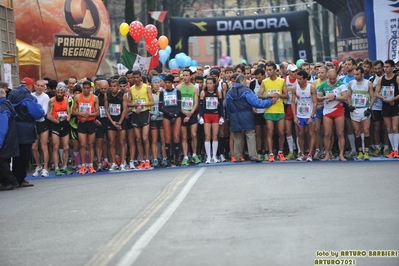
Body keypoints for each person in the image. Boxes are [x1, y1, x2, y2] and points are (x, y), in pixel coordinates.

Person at [226, 74, 276, 162]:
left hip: (234, 115)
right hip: (246, 115)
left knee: (237, 136)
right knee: (250, 134)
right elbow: (256, 103)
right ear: (242, 81)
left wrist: (233, 113)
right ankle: (253, 155)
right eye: (245, 81)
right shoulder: (246, 91)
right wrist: (269, 102)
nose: (246, 83)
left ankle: (237, 156)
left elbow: (227, 105)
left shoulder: (230, 91)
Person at [8, 77, 45, 187]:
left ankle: (13, 178)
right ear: (29, 86)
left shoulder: (11, 94)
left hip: (13, 127)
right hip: (25, 128)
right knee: (24, 155)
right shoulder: (27, 97)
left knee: (15, 155)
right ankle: (20, 179)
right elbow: (38, 113)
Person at [258, 62, 288, 162]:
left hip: (279, 110)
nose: (268, 72)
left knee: (281, 132)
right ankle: (271, 153)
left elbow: (286, 95)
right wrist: (268, 96)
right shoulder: (265, 82)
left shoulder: (282, 81)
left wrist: (279, 96)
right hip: (269, 110)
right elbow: (259, 95)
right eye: (267, 70)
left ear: (275, 70)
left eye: (270, 70)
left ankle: (280, 152)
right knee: (269, 132)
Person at [317, 69, 348, 161]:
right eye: (330, 79)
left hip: (338, 111)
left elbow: (345, 97)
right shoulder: (323, 85)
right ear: (327, 77)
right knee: (327, 134)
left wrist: (334, 97)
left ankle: (341, 154)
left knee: (340, 133)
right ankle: (327, 154)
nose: (332, 81)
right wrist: (325, 97)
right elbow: (318, 98)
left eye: (334, 79)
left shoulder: (341, 84)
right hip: (327, 111)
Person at [127, 70, 154, 169]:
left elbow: (152, 102)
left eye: (137, 77)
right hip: (135, 114)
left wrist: (142, 105)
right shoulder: (131, 89)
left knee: (145, 137)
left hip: (145, 113)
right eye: (134, 78)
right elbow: (128, 103)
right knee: (138, 139)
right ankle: (142, 160)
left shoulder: (147, 87)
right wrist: (135, 105)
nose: (135, 79)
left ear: (140, 77)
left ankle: (147, 159)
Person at [347, 66, 374, 160]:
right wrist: (350, 105)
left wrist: (370, 108)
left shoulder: (368, 83)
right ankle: (360, 152)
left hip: (365, 109)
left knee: (366, 130)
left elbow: (372, 96)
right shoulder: (351, 83)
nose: (355, 76)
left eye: (357, 74)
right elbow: (348, 96)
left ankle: (366, 151)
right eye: (354, 74)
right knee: (357, 131)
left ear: (362, 74)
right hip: (355, 110)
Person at [73, 80, 100, 174]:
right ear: (82, 88)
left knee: (91, 144)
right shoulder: (77, 97)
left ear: (91, 88)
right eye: (84, 88)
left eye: (88, 88)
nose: (86, 90)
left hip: (91, 122)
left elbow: (97, 112)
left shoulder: (95, 98)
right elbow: (73, 111)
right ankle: (83, 165)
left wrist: (88, 115)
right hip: (81, 122)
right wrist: (81, 114)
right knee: (83, 144)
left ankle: (91, 165)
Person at [291, 70, 317, 162]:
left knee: (311, 134)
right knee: (300, 134)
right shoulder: (294, 88)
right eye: (297, 79)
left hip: (310, 114)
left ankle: (310, 154)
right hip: (300, 115)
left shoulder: (311, 88)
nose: (298, 81)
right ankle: (302, 153)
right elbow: (293, 103)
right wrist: (294, 116)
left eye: (300, 79)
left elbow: (315, 103)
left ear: (305, 79)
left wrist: (312, 116)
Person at [375, 59, 399, 158]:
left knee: (395, 128)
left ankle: (396, 150)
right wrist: (384, 98)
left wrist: (392, 99)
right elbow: (376, 93)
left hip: (395, 105)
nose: (385, 68)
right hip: (385, 105)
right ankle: (392, 149)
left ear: (392, 68)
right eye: (384, 67)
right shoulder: (381, 79)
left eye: (387, 67)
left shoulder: (397, 78)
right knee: (388, 128)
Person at [47, 83, 72, 175]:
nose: (59, 94)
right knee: (56, 146)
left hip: (64, 124)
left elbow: (69, 112)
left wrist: (67, 121)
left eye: (61, 93)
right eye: (58, 92)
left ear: (64, 93)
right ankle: (57, 167)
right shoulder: (52, 101)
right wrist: (58, 122)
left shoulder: (66, 100)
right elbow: (48, 115)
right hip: (55, 124)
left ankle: (65, 166)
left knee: (66, 147)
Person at [178, 69, 201, 166]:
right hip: (183, 113)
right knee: (184, 136)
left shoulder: (195, 88)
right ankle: (185, 156)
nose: (185, 77)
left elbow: (196, 102)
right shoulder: (178, 87)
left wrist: (190, 113)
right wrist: (184, 112)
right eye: (184, 75)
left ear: (191, 76)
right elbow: (178, 103)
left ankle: (194, 154)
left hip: (192, 113)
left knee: (194, 135)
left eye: (187, 75)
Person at [199, 76, 224, 164]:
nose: (209, 85)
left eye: (210, 83)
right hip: (206, 115)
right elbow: (201, 106)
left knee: (215, 136)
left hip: (215, 115)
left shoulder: (218, 92)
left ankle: (214, 156)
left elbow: (220, 106)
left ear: (214, 84)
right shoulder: (203, 93)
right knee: (207, 136)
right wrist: (201, 116)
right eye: (207, 83)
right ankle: (208, 157)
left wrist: (222, 116)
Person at [158, 74, 182, 166]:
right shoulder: (162, 93)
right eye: (166, 82)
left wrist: (175, 115)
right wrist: (169, 114)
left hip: (176, 115)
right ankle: (168, 159)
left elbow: (179, 105)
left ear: (172, 83)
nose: (167, 84)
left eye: (169, 83)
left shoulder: (177, 92)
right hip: (167, 115)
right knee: (167, 138)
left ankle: (177, 158)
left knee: (176, 137)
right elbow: (160, 107)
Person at [105, 79, 128, 171]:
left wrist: (119, 122)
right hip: (111, 121)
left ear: (118, 87)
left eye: (115, 86)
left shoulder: (123, 95)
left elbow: (125, 109)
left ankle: (122, 162)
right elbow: (106, 109)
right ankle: (113, 162)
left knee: (122, 142)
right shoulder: (108, 95)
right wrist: (112, 122)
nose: (113, 88)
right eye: (112, 86)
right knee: (111, 142)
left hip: (121, 121)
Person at [0, 88, 19, 190]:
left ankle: (11, 181)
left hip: (5, 139)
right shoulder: (7, 104)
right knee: (5, 160)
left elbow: (2, 128)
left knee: (1, 161)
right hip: (10, 138)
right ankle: (7, 181)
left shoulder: (2, 108)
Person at [31, 80, 51, 177]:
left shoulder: (45, 97)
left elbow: (43, 111)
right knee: (34, 147)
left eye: (41, 86)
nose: (39, 87)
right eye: (38, 85)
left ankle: (45, 168)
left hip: (43, 122)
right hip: (33, 122)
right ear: (35, 86)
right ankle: (38, 166)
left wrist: (34, 113)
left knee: (43, 146)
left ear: (44, 88)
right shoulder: (31, 95)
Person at [149, 77, 166, 167]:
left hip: (162, 117)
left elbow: (166, 104)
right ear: (152, 84)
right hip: (154, 118)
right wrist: (152, 114)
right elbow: (148, 105)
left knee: (163, 139)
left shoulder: (163, 92)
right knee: (154, 140)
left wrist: (161, 111)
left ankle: (164, 158)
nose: (157, 84)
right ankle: (155, 158)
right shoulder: (149, 93)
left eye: (158, 82)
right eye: (155, 82)